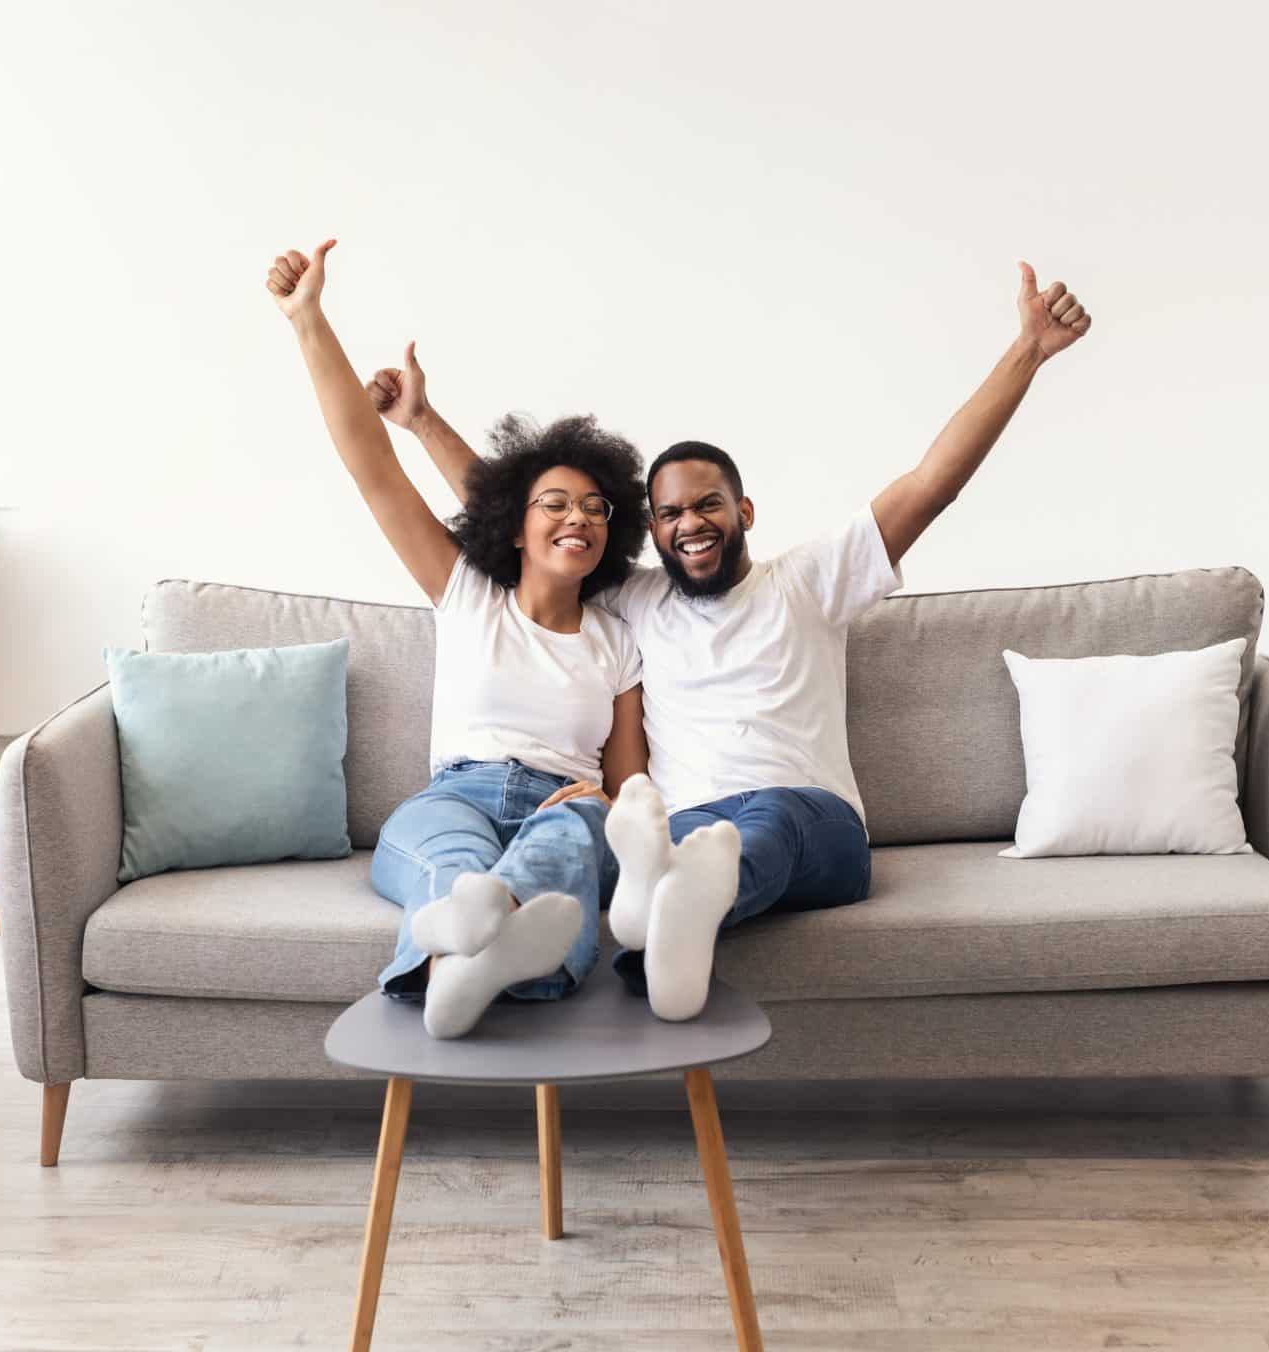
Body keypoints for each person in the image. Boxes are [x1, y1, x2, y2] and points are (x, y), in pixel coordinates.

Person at [369, 261, 1094, 1021]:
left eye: (708, 505)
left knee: (764, 823)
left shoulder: (809, 580)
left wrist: (1029, 351)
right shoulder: (634, 601)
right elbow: (534, 519)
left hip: (810, 823)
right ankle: (665, 927)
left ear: (744, 509)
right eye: (670, 513)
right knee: (659, 839)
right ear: (651, 530)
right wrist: (423, 423)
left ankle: (678, 906)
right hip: (677, 832)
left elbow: (930, 485)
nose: (690, 524)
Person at [267, 238, 668, 1039]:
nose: (578, 519)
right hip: (456, 794)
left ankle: (466, 960)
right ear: (513, 527)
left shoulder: (617, 642)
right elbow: (370, 463)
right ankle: (469, 946)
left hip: (560, 800)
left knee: (572, 837)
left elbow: (627, 787)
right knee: (445, 857)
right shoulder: (468, 593)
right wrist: (309, 321)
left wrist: (599, 798)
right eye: (555, 503)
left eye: (595, 509)